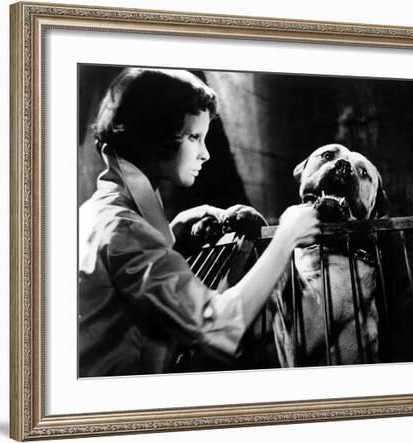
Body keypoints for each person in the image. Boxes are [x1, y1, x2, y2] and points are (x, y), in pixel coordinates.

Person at [78, 68, 319, 376]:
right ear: (156, 135)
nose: (205, 154)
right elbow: (220, 326)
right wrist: (287, 236)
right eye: (194, 137)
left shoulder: (96, 212)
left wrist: (173, 235)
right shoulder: (127, 230)